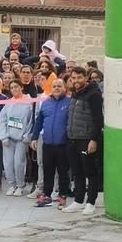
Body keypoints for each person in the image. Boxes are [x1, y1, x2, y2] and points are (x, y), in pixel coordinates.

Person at [62, 67, 104, 215]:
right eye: (73, 78)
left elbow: (99, 119)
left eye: (79, 77)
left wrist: (94, 139)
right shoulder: (74, 93)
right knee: (77, 171)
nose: (76, 81)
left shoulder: (94, 95)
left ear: (86, 77)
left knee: (90, 171)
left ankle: (91, 202)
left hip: (86, 139)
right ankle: (78, 200)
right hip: (73, 138)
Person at [31, 79, 72, 207]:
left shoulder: (69, 102)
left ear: (64, 88)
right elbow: (38, 122)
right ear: (51, 88)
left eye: (59, 86)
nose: (57, 88)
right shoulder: (46, 103)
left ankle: (62, 195)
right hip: (47, 143)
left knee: (63, 172)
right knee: (48, 170)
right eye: (54, 86)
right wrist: (34, 137)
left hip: (63, 144)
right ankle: (47, 195)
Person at [0, 80, 33, 196]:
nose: (14, 89)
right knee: (8, 163)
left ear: (21, 87)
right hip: (9, 138)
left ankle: (20, 185)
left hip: (22, 139)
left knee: (19, 163)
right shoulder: (8, 103)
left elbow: (31, 120)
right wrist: (4, 136)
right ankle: (12, 184)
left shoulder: (29, 102)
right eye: (12, 88)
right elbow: (2, 120)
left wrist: (27, 136)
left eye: (16, 87)